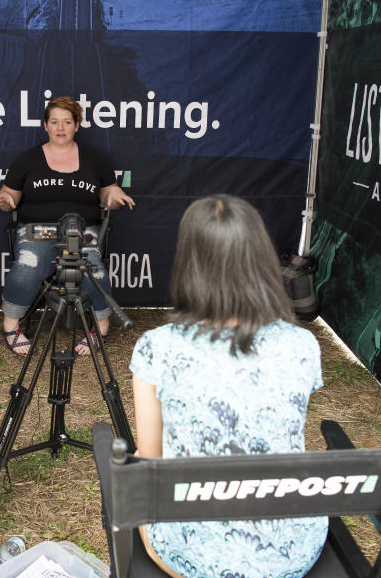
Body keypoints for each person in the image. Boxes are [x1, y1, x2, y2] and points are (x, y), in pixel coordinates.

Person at [129, 195, 328, 578]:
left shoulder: (157, 347)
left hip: (195, 558)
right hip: (292, 553)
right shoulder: (302, 345)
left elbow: (150, 460)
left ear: (189, 262)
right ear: (261, 259)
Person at [0, 95, 135, 356]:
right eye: (54, 121)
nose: (60, 128)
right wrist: (4, 200)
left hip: (81, 230)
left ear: (77, 125)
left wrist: (114, 196)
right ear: (45, 125)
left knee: (92, 266)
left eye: (67, 121)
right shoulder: (28, 160)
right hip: (38, 229)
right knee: (29, 262)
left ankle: (100, 326)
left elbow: (108, 193)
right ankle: (11, 325)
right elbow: (10, 196)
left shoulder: (95, 160)